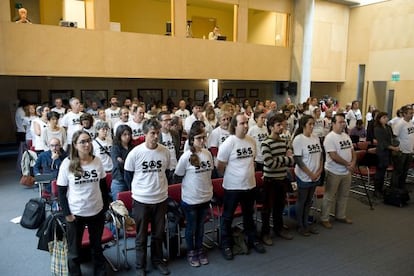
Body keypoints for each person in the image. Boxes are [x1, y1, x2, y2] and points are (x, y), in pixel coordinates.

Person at [57, 130, 110, 275]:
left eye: (88, 140)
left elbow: (103, 186)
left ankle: (99, 272)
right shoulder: (67, 163)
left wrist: (105, 207)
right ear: (75, 144)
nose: (87, 144)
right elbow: (61, 191)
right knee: (74, 251)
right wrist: (67, 214)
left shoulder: (97, 161)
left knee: (97, 247)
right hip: (76, 213)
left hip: (96, 211)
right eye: (82, 142)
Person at [124, 119, 171, 275]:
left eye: (157, 133)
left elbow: (166, 173)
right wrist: (140, 190)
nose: (156, 136)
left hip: (161, 199)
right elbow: (128, 176)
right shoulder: (135, 153)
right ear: (145, 134)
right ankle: (140, 265)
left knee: (158, 234)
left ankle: (157, 260)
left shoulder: (165, 151)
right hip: (142, 200)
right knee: (141, 236)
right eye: (152, 133)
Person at [217, 112, 265, 261]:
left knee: (248, 215)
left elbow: (253, 161)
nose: (245, 126)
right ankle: (226, 244)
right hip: (232, 187)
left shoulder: (251, 141)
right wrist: (233, 176)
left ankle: (252, 239)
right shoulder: (229, 142)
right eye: (242, 123)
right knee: (227, 217)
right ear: (235, 126)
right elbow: (220, 166)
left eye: (246, 123)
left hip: (249, 185)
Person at [174, 123, 213, 267]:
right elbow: (178, 174)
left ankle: (199, 248)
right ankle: (192, 251)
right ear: (192, 140)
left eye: (204, 137)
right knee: (191, 227)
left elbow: (209, 174)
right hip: (191, 199)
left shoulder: (207, 154)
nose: (202, 141)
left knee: (201, 227)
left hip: (205, 197)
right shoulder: (186, 156)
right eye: (199, 138)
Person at [260, 114, 295, 245]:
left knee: (279, 207)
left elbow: (292, 160)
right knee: (266, 209)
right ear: (270, 127)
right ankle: (265, 233)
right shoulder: (265, 143)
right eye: (278, 125)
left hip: (281, 178)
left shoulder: (283, 142)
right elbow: (270, 163)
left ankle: (278, 229)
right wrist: (285, 160)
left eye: (283, 125)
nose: (281, 128)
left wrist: (283, 160)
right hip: (270, 180)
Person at [320, 113, 356, 229]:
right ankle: (324, 218)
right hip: (333, 171)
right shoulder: (330, 137)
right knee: (329, 196)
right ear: (333, 124)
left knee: (344, 195)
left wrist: (353, 163)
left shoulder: (346, 136)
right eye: (340, 122)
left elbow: (352, 151)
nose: (343, 124)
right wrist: (348, 164)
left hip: (346, 171)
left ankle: (340, 215)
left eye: (343, 122)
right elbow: (333, 156)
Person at [292, 115, 323, 236]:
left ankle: (306, 223)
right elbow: (298, 160)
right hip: (304, 176)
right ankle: (300, 225)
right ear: (304, 125)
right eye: (310, 124)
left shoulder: (315, 138)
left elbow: (320, 155)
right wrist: (310, 173)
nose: (312, 126)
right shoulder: (298, 139)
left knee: (309, 201)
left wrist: (319, 170)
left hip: (315, 175)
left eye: (313, 124)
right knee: (302, 200)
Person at [373, 112, 399, 198]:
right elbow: (382, 142)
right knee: (379, 172)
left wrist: (395, 144)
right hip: (381, 152)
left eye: (386, 117)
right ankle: (377, 190)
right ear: (379, 119)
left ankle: (381, 189)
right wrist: (392, 148)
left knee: (384, 172)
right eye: (384, 117)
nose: (386, 119)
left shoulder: (388, 127)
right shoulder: (377, 128)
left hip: (388, 152)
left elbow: (391, 138)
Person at [391, 105, 414, 190]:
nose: (412, 115)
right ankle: (394, 190)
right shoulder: (400, 123)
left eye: (412, 113)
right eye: (410, 113)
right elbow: (394, 136)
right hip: (401, 151)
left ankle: (401, 189)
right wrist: (396, 149)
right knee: (398, 172)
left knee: (405, 172)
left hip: (409, 151)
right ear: (404, 114)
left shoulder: (410, 123)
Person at [110, 125, 133, 201]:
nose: (127, 137)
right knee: (119, 205)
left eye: (129, 134)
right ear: (119, 135)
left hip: (132, 179)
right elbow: (118, 163)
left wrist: (124, 161)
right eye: (124, 134)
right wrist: (129, 164)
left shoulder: (133, 147)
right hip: (119, 180)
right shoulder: (115, 148)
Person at [158, 111, 181, 184]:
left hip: (175, 167)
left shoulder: (174, 133)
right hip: (163, 169)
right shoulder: (157, 135)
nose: (168, 122)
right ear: (159, 122)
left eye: (169, 120)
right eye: (166, 120)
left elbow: (177, 150)